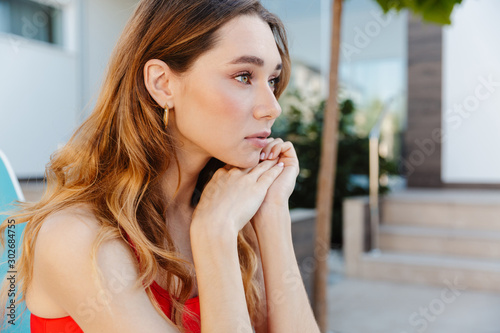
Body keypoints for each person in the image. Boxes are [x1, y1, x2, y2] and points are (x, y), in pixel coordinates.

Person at [0, 0, 321, 332]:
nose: (273, 108)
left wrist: (273, 215)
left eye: (272, 80)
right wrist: (213, 237)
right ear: (162, 84)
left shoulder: (230, 212)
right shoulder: (78, 236)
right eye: (243, 76)